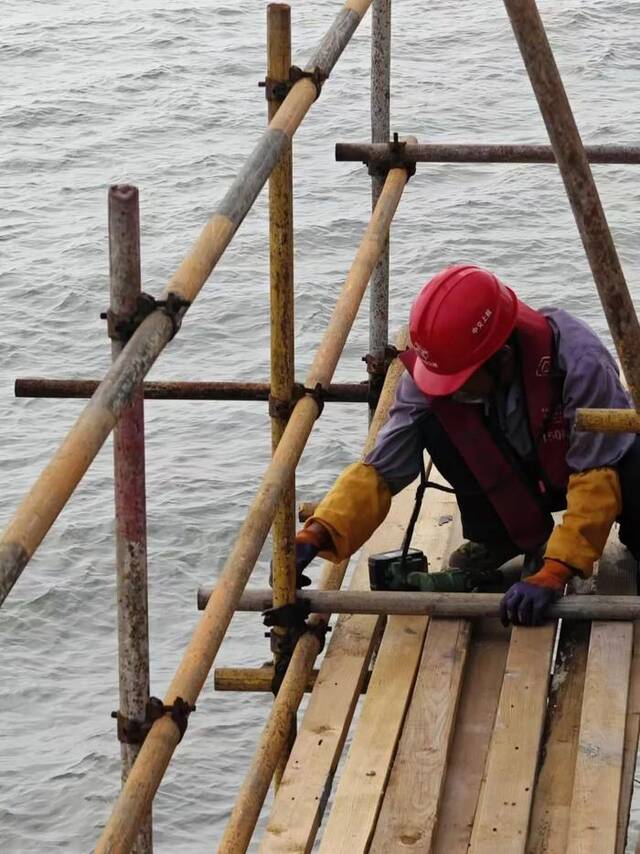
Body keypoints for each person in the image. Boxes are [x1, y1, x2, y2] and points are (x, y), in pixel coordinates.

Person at [293, 264, 640, 626]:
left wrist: (555, 571)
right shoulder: (437, 373)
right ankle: (501, 536)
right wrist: (318, 532)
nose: (450, 391)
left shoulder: (581, 362)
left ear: (502, 359)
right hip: (521, 469)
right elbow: (381, 469)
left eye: (462, 382)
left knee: (633, 460)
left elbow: (596, 474)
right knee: (436, 422)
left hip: (589, 465)